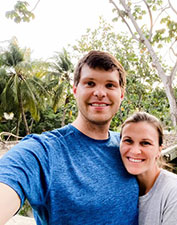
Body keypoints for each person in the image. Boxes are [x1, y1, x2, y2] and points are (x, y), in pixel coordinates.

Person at [0, 51, 139, 225]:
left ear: (121, 94)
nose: (100, 93)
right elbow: (9, 179)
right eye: (90, 83)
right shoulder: (44, 151)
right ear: (75, 90)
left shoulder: (131, 149)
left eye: (110, 85)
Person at [120, 112, 177, 225]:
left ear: (159, 150)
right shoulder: (118, 187)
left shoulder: (176, 194)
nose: (135, 151)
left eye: (145, 143)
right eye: (128, 141)